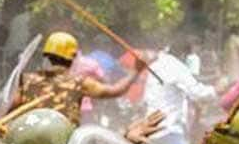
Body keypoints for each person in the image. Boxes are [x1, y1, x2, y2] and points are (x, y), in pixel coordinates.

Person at [10, 32, 144, 125]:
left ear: (47, 55)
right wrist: (136, 71)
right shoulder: (79, 83)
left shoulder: (28, 80)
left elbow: (10, 110)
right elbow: (115, 90)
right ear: (74, 57)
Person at [142, 40, 216, 144]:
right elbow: (197, 92)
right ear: (184, 54)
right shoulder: (177, 67)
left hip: (150, 125)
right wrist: (216, 90)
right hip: (169, 128)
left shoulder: (156, 64)